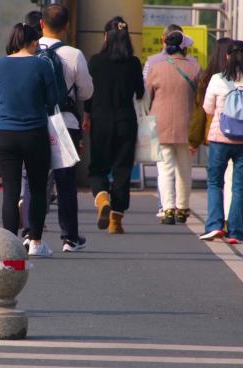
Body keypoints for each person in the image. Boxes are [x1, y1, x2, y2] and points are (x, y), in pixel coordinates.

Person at [0, 22, 57, 257]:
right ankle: (35, 243)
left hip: (5, 133)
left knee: (10, 191)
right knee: (37, 189)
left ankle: (9, 245)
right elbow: (53, 99)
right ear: (34, 42)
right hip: (35, 134)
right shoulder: (42, 65)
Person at [200, 40, 243, 244]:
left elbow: (208, 109)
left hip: (220, 139)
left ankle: (214, 225)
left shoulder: (217, 80)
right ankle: (236, 232)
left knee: (215, 182)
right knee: (239, 186)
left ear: (227, 57)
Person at [38, 4, 93, 251]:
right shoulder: (74, 54)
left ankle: (30, 233)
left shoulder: (30, 48)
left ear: (41, 24)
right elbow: (86, 91)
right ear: (67, 26)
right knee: (65, 181)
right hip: (65, 122)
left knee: (35, 178)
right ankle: (70, 237)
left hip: (36, 121)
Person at [83, 16, 144, 234]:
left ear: (106, 36)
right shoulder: (134, 63)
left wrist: (87, 114)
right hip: (126, 121)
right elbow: (140, 93)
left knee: (98, 167)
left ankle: (101, 199)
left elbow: (88, 94)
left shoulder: (95, 61)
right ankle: (116, 221)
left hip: (101, 120)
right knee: (122, 169)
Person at [146, 30, 201, 225]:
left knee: (165, 168)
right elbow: (199, 100)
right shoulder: (195, 68)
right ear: (184, 47)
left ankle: (168, 208)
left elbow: (146, 98)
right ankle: (183, 207)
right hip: (187, 125)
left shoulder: (156, 67)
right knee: (185, 169)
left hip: (160, 125)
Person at [189, 37, 234, 226]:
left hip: (214, 134)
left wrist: (194, 139)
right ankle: (228, 217)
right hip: (241, 134)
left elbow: (202, 110)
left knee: (215, 179)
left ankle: (215, 220)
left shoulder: (207, 78)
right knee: (232, 178)